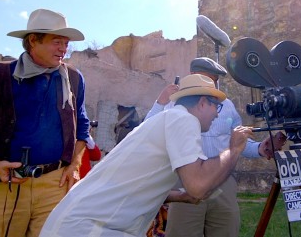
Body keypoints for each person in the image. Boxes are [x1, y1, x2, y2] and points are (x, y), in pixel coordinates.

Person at [39, 74, 254, 236]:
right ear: (202, 103)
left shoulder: (164, 120)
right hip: (90, 228)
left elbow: (132, 182)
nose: (218, 113)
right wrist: (234, 149)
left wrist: (180, 197)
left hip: (80, 224)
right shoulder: (184, 120)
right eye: (216, 106)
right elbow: (197, 185)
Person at [0, 8, 91, 237]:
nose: (64, 49)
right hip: (2, 184)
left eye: (66, 42)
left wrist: (74, 166)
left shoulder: (73, 79)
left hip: (55, 185)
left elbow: (82, 125)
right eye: (56, 41)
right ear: (33, 40)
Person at [144, 57, 286, 237]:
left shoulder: (226, 105)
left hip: (222, 180)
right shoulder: (175, 103)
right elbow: (146, 132)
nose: (214, 86)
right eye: (209, 80)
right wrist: (160, 102)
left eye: (216, 81)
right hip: (184, 183)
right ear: (194, 76)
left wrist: (260, 148)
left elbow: (237, 139)